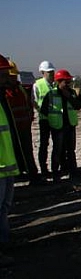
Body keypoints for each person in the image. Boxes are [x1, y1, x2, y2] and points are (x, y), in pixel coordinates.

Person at [40, 69, 81, 181]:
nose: (68, 84)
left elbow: (78, 106)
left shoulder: (71, 93)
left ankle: (73, 171)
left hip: (70, 125)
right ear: (59, 82)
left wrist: (69, 96)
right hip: (57, 127)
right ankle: (56, 172)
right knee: (57, 150)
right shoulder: (51, 95)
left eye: (69, 81)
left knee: (71, 150)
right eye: (66, 82)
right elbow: (44, 111)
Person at [5, 60, 41, 184]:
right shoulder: (5, 92)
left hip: (24, 127)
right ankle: (17, 176)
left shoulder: (20, 88)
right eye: (11, 75)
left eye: (15, 75)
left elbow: (28, 106)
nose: (14, 78)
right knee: (14, 154)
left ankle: (33, 176)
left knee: (28, 152)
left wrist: (30, 118)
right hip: (10, 131)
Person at [0, 54, 20, 266]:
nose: (8, 78)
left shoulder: (2, 99)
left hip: (7, 167)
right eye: (4, 74)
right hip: (1, 168)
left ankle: (5, 243)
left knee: (4, 208)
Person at [33, 60, 55, 178]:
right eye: (49, 72)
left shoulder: (55, 84)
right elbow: (34, 101)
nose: (51, 74)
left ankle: (56, 167)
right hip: (44, 119)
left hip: (56, 119)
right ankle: (43, 168)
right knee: (44, 144)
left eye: (52, 72)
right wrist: (41, 112)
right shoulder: (37, 85)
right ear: (42, 72)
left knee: (57, 145)